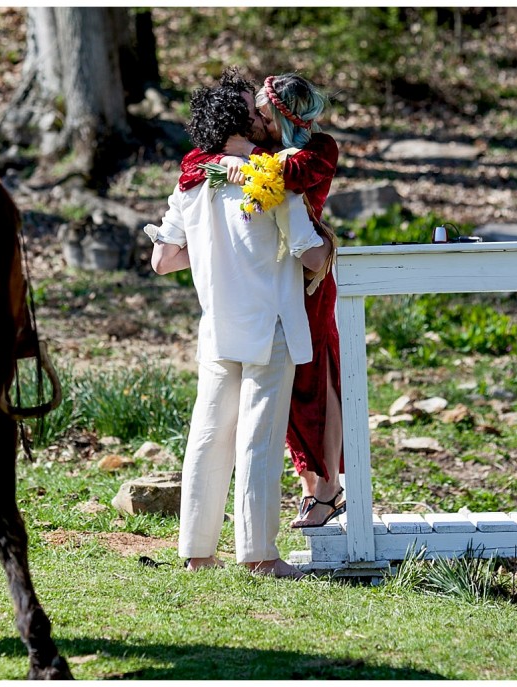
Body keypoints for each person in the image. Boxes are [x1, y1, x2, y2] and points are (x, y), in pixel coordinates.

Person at [146, 77, 332, 579]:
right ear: (237, 120)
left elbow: (163, 260)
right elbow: (309, 253)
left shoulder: (190, 184)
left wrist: (212, 252)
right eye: (253, 110)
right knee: (258, 440)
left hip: (217, 326)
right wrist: (329, 243)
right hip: (268, 325)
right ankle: (258, 555)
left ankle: (197, 551)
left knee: (207, 436)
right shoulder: (269, 180)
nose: (261, 117)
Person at [178, 71, 345, 529]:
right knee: (282, 397)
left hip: (308, 279)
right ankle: (311, 487)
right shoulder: (259, 153)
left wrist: (245, 159)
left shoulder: (316, 150)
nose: (255, 119)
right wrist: (231, 160)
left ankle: (329, 487)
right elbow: (195, 166)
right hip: (270, 281)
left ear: (279, 115)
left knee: (317, 379)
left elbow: (291, 178)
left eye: (262, 112)